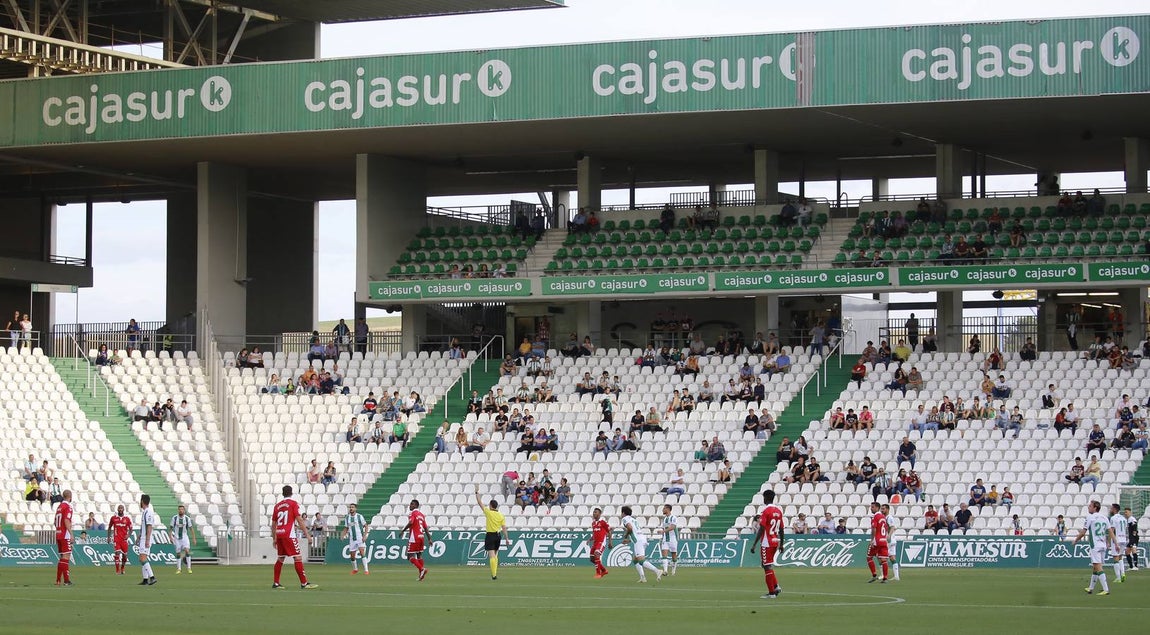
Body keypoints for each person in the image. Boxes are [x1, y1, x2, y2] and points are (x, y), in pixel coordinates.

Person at [271, 485, 318, 589]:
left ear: (282, 493)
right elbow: (299, 520)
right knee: (297, 557)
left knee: (281, 558)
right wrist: (307, 535)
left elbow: (273, 524)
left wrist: (274, 538)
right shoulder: (293, 504)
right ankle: (304, 583)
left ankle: (276, 583)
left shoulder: (277, 506)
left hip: (279, 534)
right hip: (289, 535)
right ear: (292, 493)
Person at [1073, 500, 1114, 596]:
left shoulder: (1090, 517)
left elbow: (1083, 532)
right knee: (1095, 567)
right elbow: (1109, 531)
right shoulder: (1104, 518)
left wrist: (1075, 540)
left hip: (1095, 545)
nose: (1088, 507)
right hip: (1103, 545)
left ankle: (1106, 589)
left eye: (1090, 506)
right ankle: (1090, 588)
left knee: (1098, 567)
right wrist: (1111, 542)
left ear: (1095, 508)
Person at [749, 489, 784, 599]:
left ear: (766, 498)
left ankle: (772, 593)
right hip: (775, 541)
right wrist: (782, 544)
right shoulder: (778, 511)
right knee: (767, 564)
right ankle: (776, 586)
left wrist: (754, 543)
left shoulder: (765, 511)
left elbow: (762, 528)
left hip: (766, 542)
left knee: (766, 566)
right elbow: (782, 529)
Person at [475, 484, 508, 580]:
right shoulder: (501, 515)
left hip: (490, 535)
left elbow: (479, 502)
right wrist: (506, 538)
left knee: (491, 555)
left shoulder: (488, 512)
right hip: (498, 535)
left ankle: (494, 575)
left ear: (490, 506)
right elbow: (504, 528)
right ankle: (494, 573)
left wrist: (477, 492)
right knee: (496, 555)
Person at [621, 506, 662, 583]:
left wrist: (625, 536)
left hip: (638, 541)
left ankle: (657, 571)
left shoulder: (625, 519)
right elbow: (635, 533)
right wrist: (629, 540)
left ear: (623, 513)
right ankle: (642, 577)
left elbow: (629, 528)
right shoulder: (633, 520)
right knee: (635, 560)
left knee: (641, 561)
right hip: (642, 538)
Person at [403, 500, 430, 581]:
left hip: (414, 537)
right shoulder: (422, 515)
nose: (410, 505)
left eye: (411, 504)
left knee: (409, 556)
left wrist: (403, 530)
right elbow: (425, 528)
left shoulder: (413, 513)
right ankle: (421, 576)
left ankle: (422, 569)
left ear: (415, 505)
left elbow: (411, 522)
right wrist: (429, 539)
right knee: (419, 555)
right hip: (421, 536)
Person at [136, 493, 159, 586]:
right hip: (143, 537)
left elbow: (149, 526)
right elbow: (144, 526)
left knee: (142, 558)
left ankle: (152, 577)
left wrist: (147, 540)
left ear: (142, 501)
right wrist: (139, 536)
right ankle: (145, 579)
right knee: (142, 559)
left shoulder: (148, 512)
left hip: (146, 538)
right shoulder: (145, 512)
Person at [342, 503, 371, 576]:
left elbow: (366, 526)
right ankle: (355, 569)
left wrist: (364, 535)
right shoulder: (347, 518)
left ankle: (366, 570)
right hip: (352, 539)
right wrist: (343, 535)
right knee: (352, 556)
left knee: (362, 552)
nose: (351, 508)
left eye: (352, 507)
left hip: (359, 538)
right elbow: (346, 528)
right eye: (350, 507)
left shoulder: (359, 516)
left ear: (355, 509)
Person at [53, 489, 74, 586]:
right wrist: (71, 534)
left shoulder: (59, 506)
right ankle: (66, 580)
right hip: (65, 535)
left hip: (58, 533)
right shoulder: (68, 507)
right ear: (70, 496)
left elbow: (55, 522)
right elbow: (66, 520)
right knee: (66, 556)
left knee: (62, 557)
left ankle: (58, 580)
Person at [866, 501, 890, 583]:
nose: (871, 508)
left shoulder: (875, 517)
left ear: (877, 508)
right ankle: (885, 578)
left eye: (872, 507)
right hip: (883, 540)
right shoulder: (883, 517)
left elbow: (874, 528)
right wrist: (884, 537)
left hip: (877, 540)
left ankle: (874, 575)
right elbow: (886, 528)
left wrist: (872, 539)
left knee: (869, 557)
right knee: (884, 560)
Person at [171, 504, 197, 575]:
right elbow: (171, 528)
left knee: (187, 551)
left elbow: (191, 529)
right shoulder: (175, 518)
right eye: (179, 509)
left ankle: (189, 568)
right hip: (177, 538)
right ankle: (179, 569)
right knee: (178, 553)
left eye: (182, 509)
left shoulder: (187, 518)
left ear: (184, 510)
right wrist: (170, 536)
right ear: (178, 510)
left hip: (185, 537)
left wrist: (194, 538)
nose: (181, 510)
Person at [107, 504, 133, 575]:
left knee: (125, 556)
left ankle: (122, 568)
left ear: (123, 509)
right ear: (117, 509)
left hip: (124, 540)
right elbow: (109, 528)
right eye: (119, 508)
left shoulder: (127, 519)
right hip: (116, 539)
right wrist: (109, 537)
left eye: (122, 508)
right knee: (117, 553)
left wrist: (128, 535)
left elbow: (131, 529)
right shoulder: (113, 518)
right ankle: (117, 570)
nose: (120, 509)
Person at [589, 507, 613, 579]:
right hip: (595, 543)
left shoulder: (603, 522)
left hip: (601, 542)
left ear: (599, 514)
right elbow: (595, 533)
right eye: (593, 512)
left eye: (596, 512)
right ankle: (604, 570)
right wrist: (589, 539)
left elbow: (609, 532)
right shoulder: (593, 523)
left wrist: (610, 542)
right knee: (592, 559)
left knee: (596, 554)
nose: (594, 513)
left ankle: (598, 573)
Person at [1109, 503, 1129, 583]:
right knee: (1120, 557)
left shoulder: (1113, 518)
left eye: (1111, 508)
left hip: (1116, 540)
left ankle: (1118, 577)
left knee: (1115, 558)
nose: (1110, 509)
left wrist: (1108, 541)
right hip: (1123, 539)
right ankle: (1123, 573)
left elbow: (1112, 530)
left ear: (1114, 509)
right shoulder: (1123, 519)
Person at [657, 504, 680, 576]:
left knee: (674, 556)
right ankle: (665, 571)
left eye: (664, 509)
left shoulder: (673, 518)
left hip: (673, 539)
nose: (663, 510)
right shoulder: (664, 519)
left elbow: (673, 527)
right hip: (665, 539)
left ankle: (673, 570)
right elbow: (665, 528)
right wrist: (662, 535)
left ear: (668, 509)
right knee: (664, 555)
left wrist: (663, 531)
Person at [881, 504, 901, 581]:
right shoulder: (885, 517)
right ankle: (896, 576)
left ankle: (883, 575)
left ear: (888, 509)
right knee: (892, 557)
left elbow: (892, 527)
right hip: (892, 540)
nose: (882, 510)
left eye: (883, 509)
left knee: (882, 557)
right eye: (881, 509)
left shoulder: (889, 517)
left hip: (889, 540)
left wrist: (888, 536)